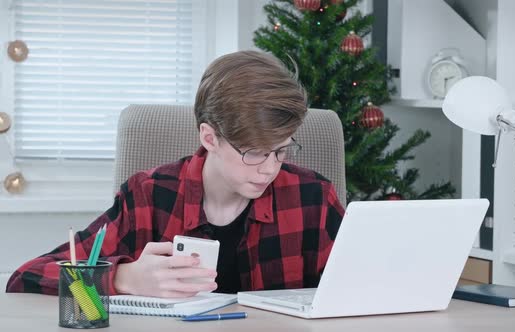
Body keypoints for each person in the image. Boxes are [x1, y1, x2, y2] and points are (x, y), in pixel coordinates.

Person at [6, 50, 345, 298]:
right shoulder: (148, 196)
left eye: (282, 149)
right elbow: (25, 277)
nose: (271, 168)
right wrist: (124, 278)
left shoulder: (313, 197)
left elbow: (366, 286)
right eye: (253, 152)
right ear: (209, 137)